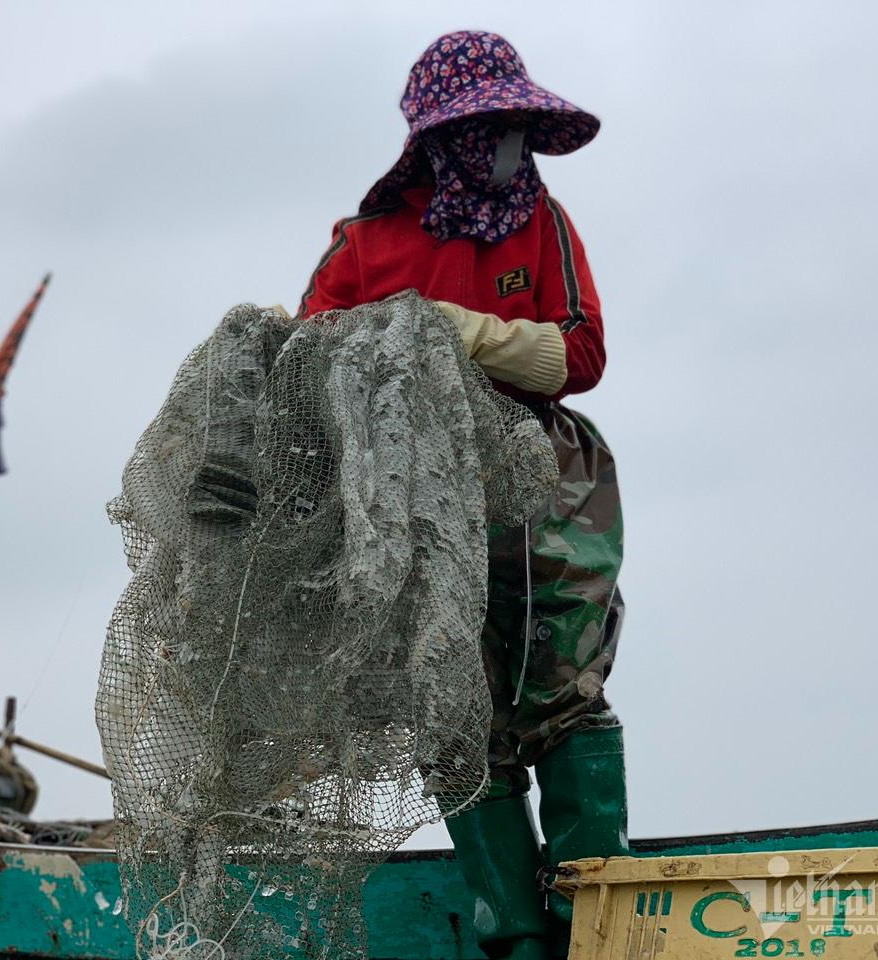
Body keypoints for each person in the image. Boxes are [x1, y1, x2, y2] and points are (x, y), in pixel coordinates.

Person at [298, 31, 628, 960]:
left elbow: (582, 357)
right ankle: (510, 926)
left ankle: (593, 908)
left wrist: (458, 332)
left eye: (517, 125)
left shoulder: (543, 223)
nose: (509, 144)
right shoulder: (363, 245)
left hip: (545, 475)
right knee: (453, 705)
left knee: (563, 682)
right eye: (490, 126)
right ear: (441, 139)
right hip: (411, 495)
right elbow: (302, 370)